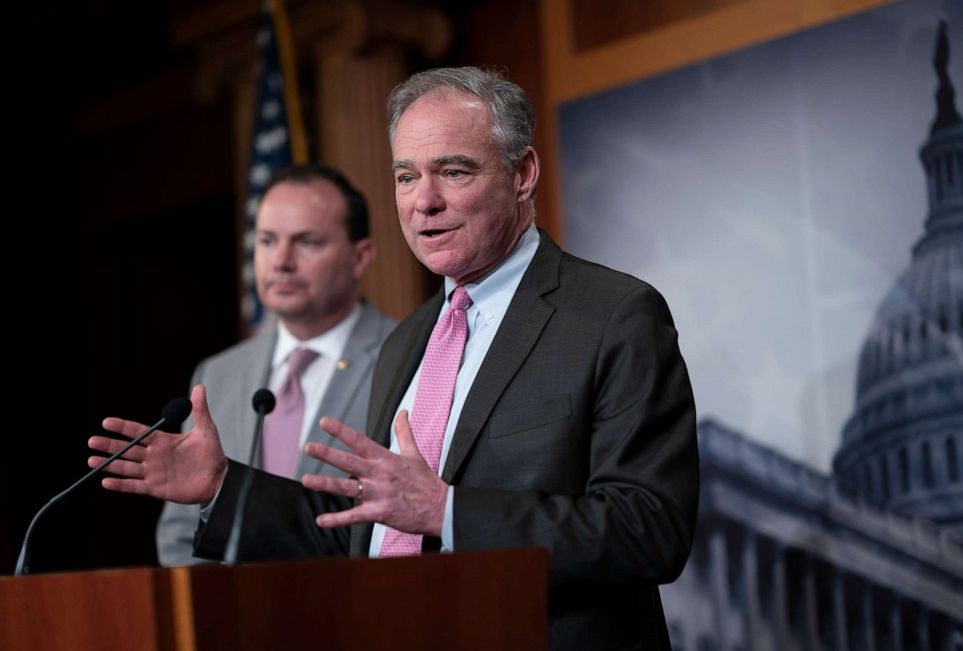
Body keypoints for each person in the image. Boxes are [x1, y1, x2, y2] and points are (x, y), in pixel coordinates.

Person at [90, 67, 698, 651]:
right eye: (406, 177)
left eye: (453, 171)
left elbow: (649, 529)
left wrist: (448, 511)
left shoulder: (613, 314)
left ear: (523, 173)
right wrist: (224, 489)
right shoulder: (409, 340)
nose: (423, 202)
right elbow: (363, 536)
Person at [156, 164, 396, 566]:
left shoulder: (405, 356)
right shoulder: (217, 374)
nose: (281, 261)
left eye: (307, 243)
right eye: (267, 241)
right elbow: (180, 533)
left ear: (360, 257)